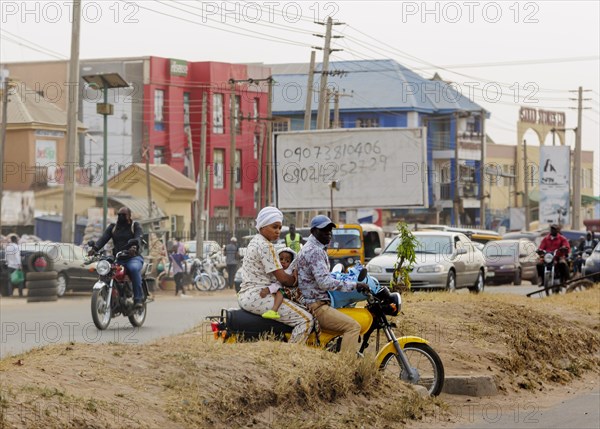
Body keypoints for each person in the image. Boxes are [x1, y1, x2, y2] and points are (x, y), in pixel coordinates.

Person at [238, 206, 313, 343]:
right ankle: (290, 357)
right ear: (262, 226)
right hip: (259, 295)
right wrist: (296, 278)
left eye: (279, 227)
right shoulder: (266, 246)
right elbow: (284, 279)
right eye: (274, 227)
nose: (278, 231)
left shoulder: (255, 241)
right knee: (307, 320)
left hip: (248, 294)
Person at [297, 215, 369, 356]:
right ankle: (345, 368)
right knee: (353, 327)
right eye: (324, 230)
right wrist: (355, 285)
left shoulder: (311, 248)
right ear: (313, 231)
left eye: (330, 229)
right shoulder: (315, 251)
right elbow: (325, 282)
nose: (328, 233)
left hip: (312, 302)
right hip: (316, 306)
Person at [88, 207, 145, 308]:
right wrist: (95, 248)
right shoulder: (113, 227)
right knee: (107, 271)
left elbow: (138, 237)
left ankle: (138, 299)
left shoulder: (135, 225)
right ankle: (112, 294)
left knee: (134, 269)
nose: (121, 217)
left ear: (129, 216)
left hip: (133, 258)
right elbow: (103, 238)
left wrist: (134, 246)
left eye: (123, 215)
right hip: (118, 258)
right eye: (119, 215)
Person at [261, 247, 299, 319]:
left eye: (287, 261)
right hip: (275, 286)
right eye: (281, 259)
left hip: (285, 289)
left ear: (291, 263)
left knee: (280, 292)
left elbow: (279, 284)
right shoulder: (276, 268)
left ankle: (274, 310)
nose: (283, 262)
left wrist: (268, 289)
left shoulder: (288, 271)